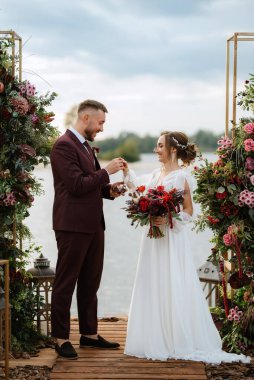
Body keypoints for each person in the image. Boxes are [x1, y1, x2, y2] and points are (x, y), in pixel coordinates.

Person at [123, 131, 250, 364]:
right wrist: (125, 172)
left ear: (173, 149)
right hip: (152, 240)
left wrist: (169, 219)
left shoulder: (181, 177)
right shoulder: (155, 174)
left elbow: (190, 211)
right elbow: (135, 190)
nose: (156, 149)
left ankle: (176, 337)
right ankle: (153, 334)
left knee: (172, 279)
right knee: (152, 280)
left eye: (160, 145)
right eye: (156, 145)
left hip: (171, 238)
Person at [50, 99, 126, 359]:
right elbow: (76, 185)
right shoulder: (63, 145)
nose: (102, 128)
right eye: (101, 122)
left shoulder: (85, 147)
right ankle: (60, 338)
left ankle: (89, 334)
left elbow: (91, 185)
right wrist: (106, 172)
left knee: (90, 281)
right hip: (71, 226)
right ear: (86, 118)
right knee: (66, 282)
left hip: (94, 225)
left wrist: (109, 190)